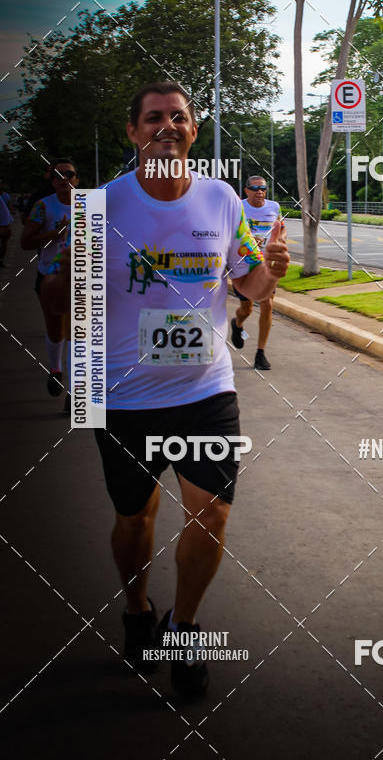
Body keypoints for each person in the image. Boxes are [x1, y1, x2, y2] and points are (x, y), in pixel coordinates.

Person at [94, 82, 289, 699]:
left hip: (206, 390)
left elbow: (251, 287)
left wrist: (271, 272)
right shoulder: (100, 207)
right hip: (125, 397)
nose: (167, 126)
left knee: (213, 512)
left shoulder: (223, 200)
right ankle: (136, 610)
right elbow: (80, 306)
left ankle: (184, 627)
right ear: (134, 131)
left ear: (193, 131)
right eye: (154, 117)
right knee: (135, 517)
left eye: (179, 117)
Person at [21, 160, 77, 405]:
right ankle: (55, 369)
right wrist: (54, 234)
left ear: (77, 179)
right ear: (51, 180)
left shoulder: (90, 206)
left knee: (78, 335)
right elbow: (26, 241)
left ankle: (75, 393)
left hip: (83, 278)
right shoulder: (43, 207)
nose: (64, 178)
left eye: (69, 174)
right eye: (58, 175)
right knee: (57, 332)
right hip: (50, 277)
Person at [230, 175, 283, 370]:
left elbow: (279, 228)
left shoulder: (274, 207)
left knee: (267, 304)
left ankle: (260, 353)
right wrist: (247, 239)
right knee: (247, 309)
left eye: (263, 188)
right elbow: (229, 232)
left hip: (265, 264)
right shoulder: (238, 207)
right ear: (246, 190)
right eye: (254, 188)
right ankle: (237, 323)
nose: (259, 191)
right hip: (243, 264)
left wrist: (278, 242)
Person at [0, 193, 12, 269]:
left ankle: (0, 260)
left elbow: (7, 208)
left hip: (3, 222)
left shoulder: (6, 196)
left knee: (4, 240)